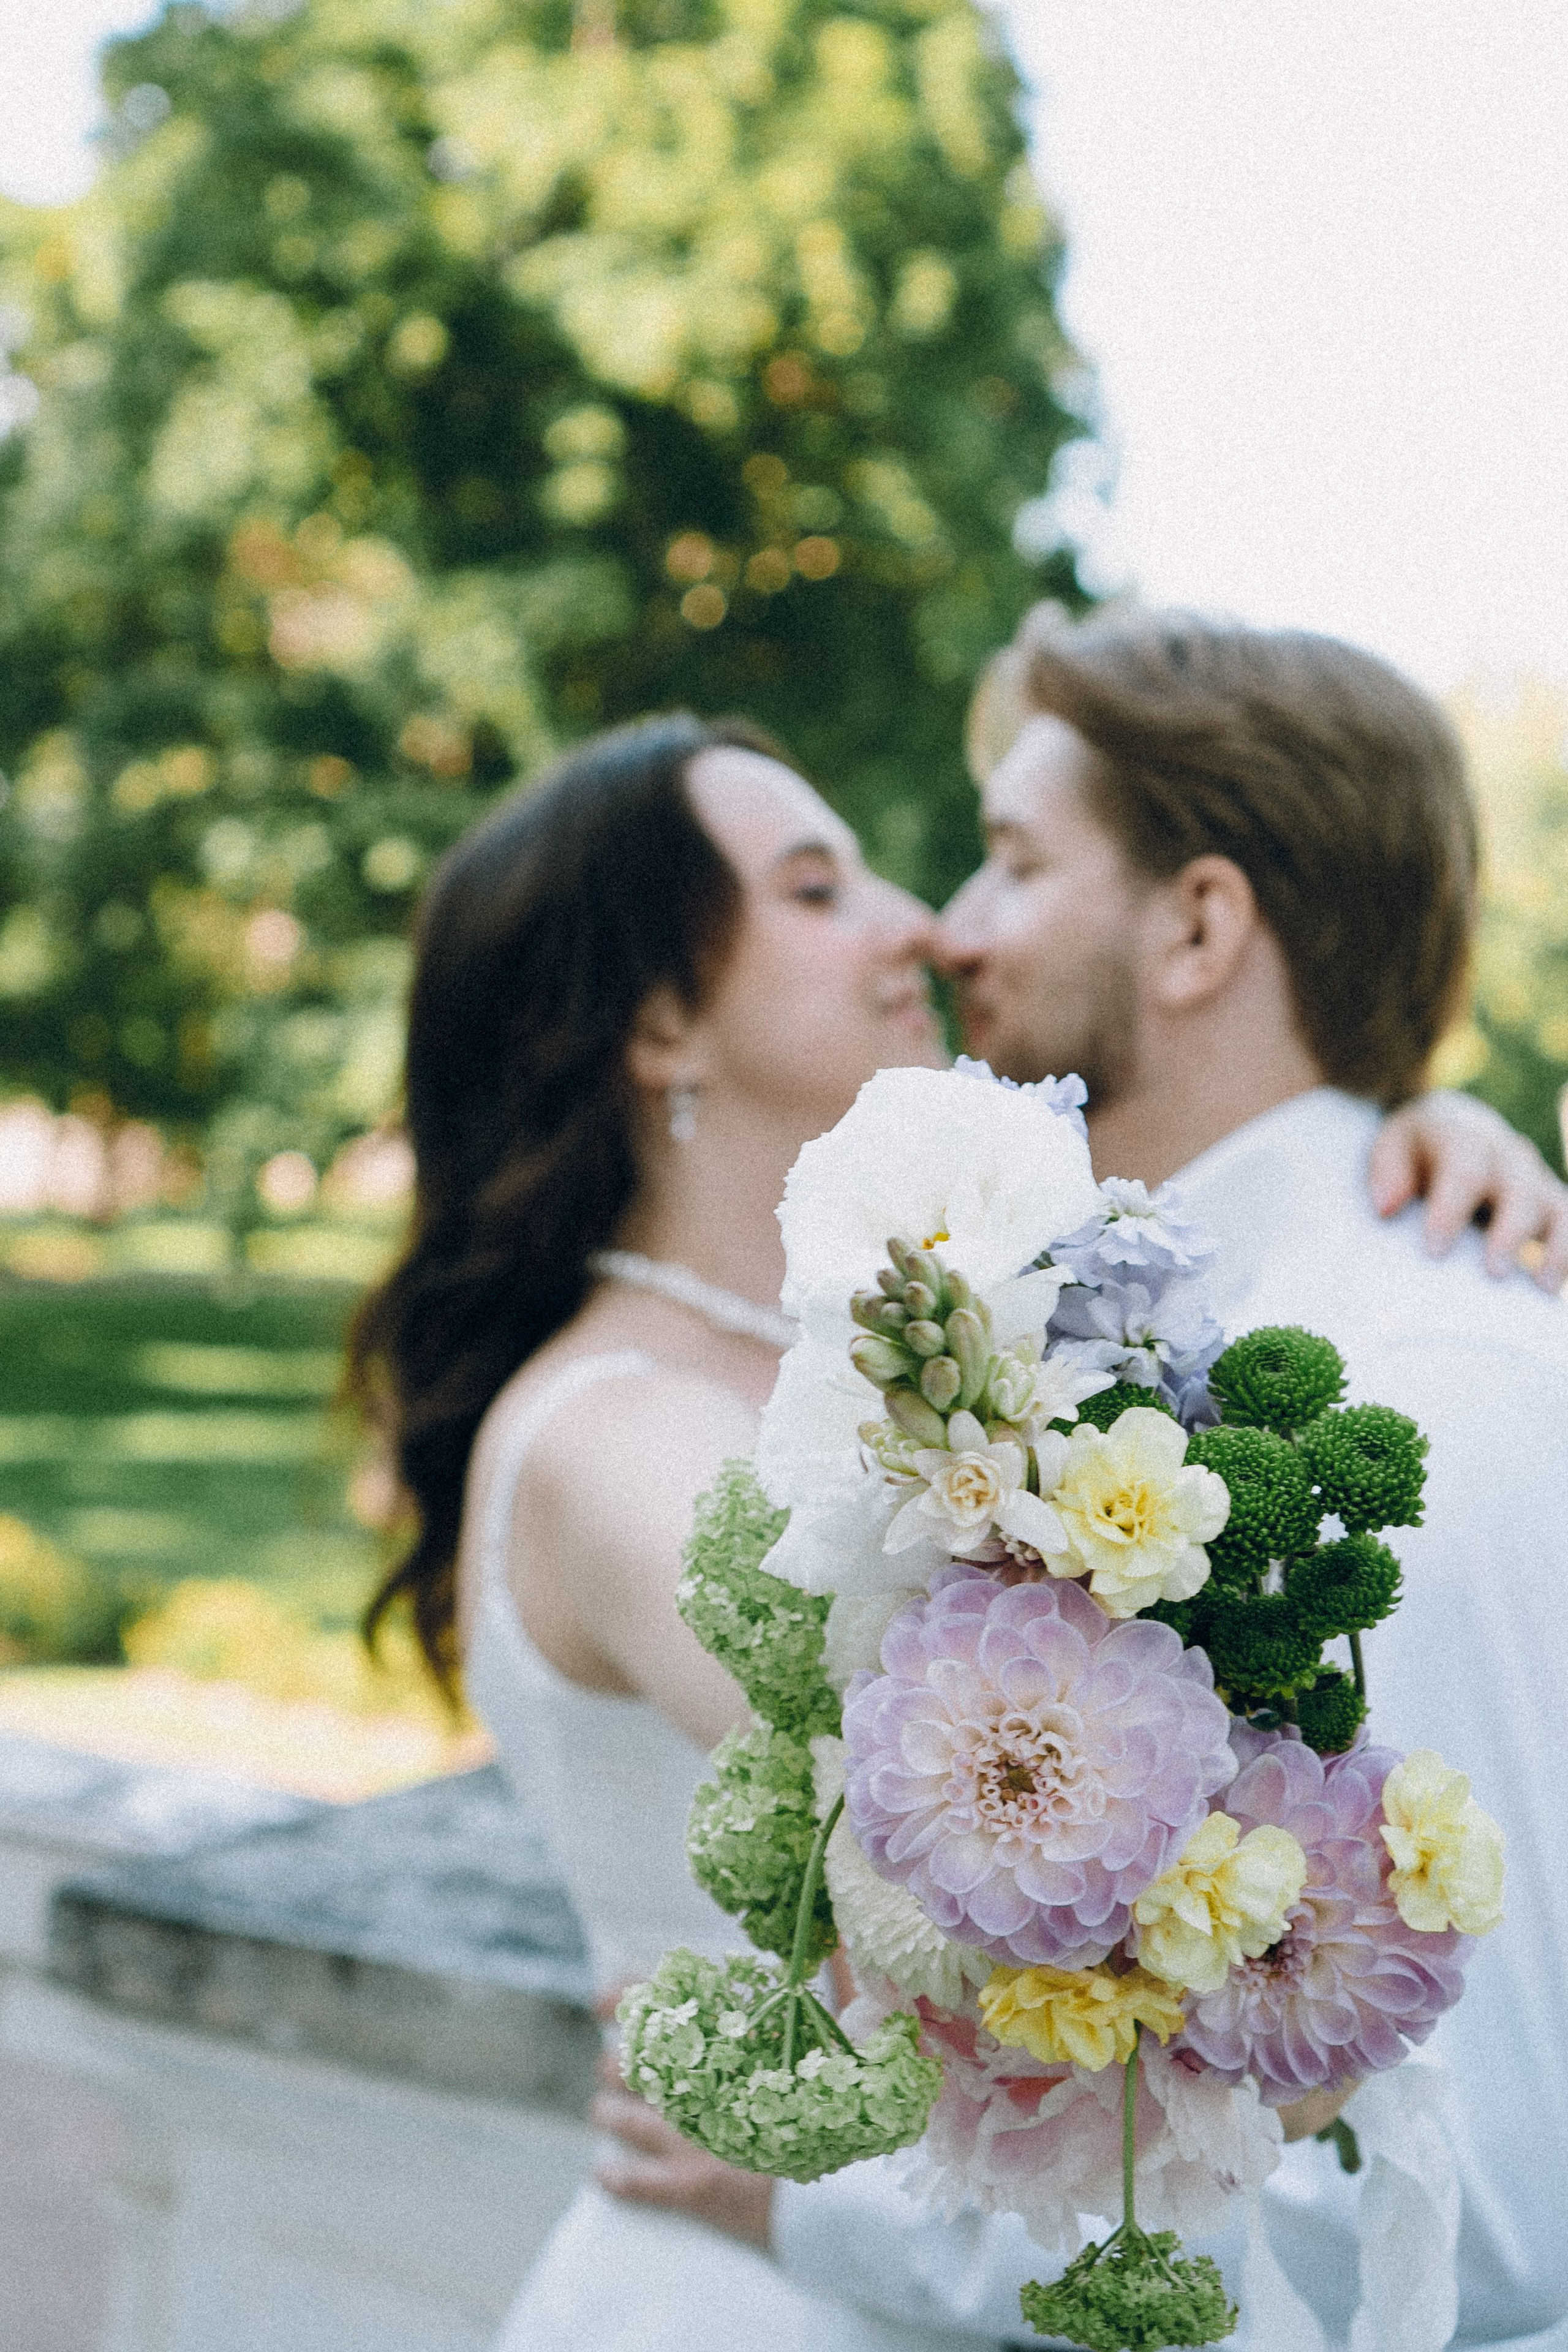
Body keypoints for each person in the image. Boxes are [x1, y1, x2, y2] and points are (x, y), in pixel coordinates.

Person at [354, 699, 1564, 2352]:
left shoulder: (883, 1354)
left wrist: (1396, 1148)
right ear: (657, 1022)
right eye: (815, 884)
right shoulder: (627, 1439)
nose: (915, 921)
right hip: (752, 2285)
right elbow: (1054, 1837)